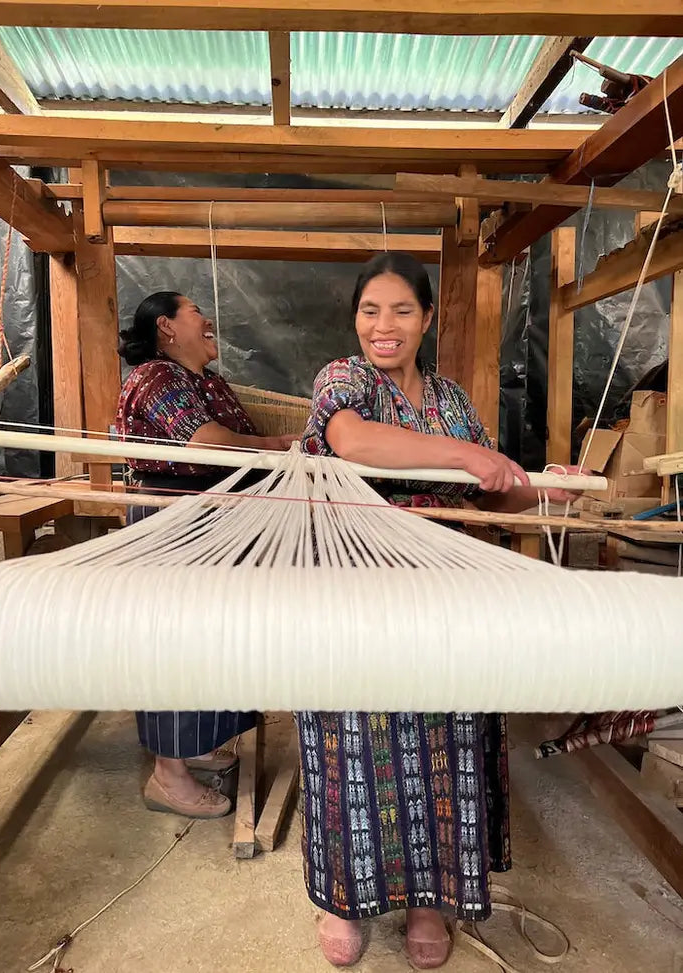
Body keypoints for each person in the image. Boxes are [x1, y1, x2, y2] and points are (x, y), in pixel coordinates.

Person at [299, 252, 582, 969]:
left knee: (441, 743)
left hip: (444, 597)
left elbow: (494, 489)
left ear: (427, 318)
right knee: (351, 742)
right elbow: (355, 441)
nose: (383, 326)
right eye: (370, 310)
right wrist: (464, 456)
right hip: (354, 594)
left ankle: (429, 899)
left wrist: (548, 490)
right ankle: (343, 896)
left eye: (400, 310)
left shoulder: (452, 399)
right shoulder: (345, 379)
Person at [116, 290, 297, 819]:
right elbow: (206, 443)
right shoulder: (155, 379)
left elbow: (237, 438)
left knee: (212, 638)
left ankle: (192, 744)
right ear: (167, 328)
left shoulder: (206, 382)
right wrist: (274, 447)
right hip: (173, 525)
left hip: (214, 524)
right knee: (173, 642)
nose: (209, 319)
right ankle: (167, 776)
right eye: (196, 311)